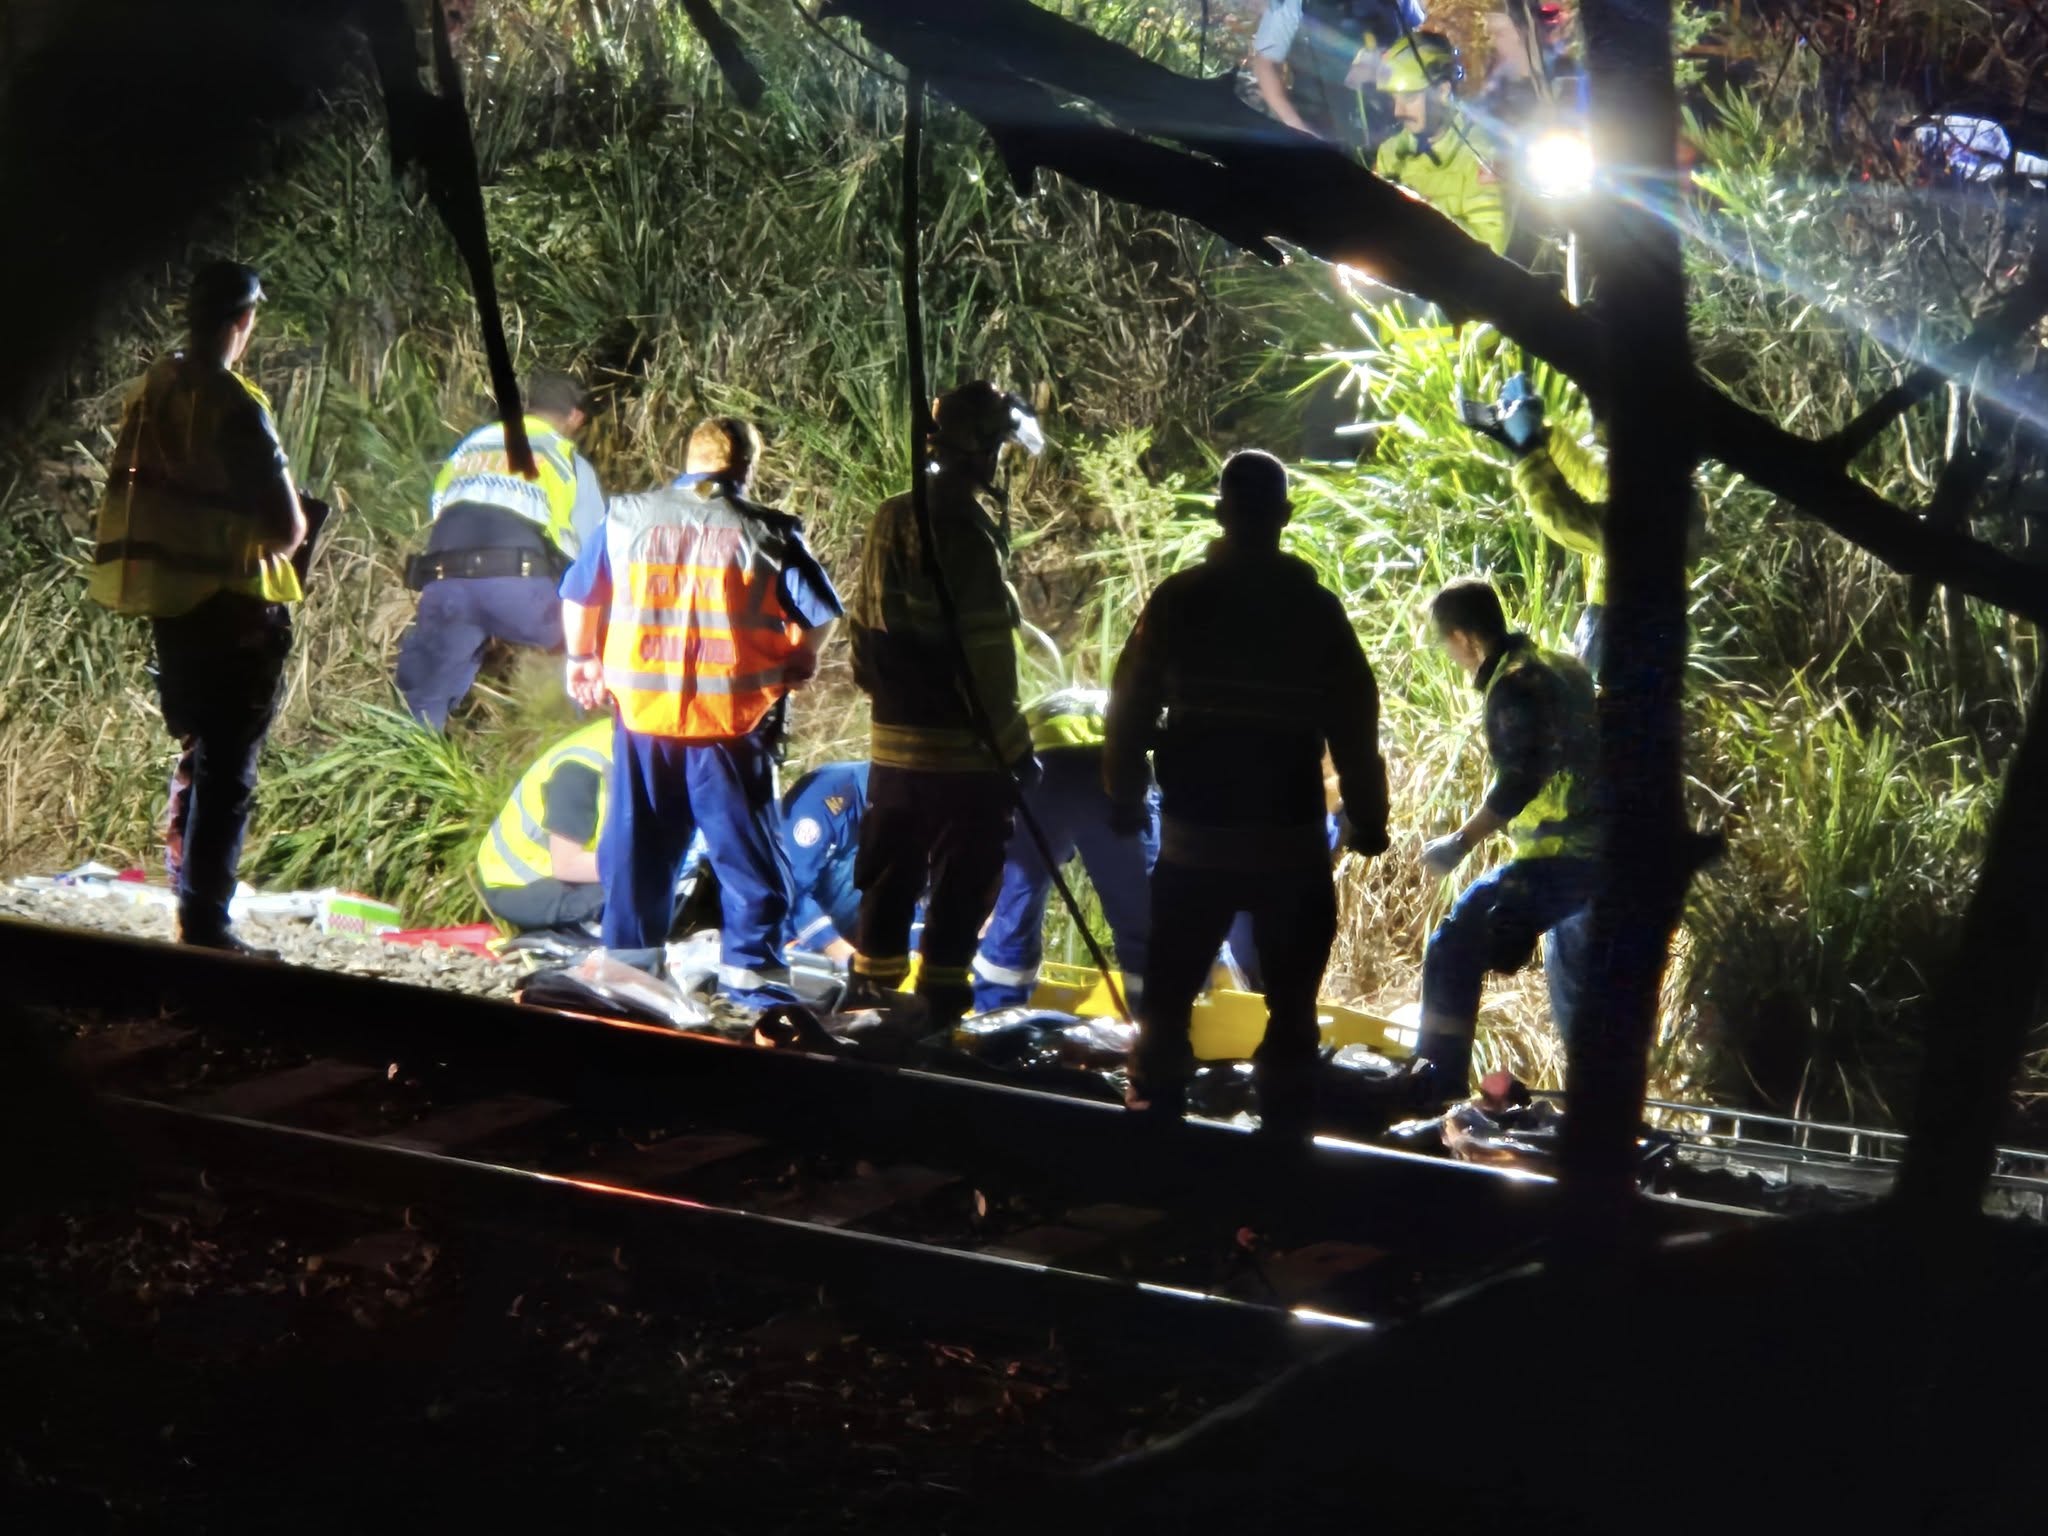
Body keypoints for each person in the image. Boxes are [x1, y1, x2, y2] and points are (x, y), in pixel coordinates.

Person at [1105, 450, 1390, 1135]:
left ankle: (1151, 1144)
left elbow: (1129, 704)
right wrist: (1368, 817)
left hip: (1194, 842)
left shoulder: (1179, 601)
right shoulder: (1316, 611)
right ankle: (1283, 1152)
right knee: (1292, 1011)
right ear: (1285, 516)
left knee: (1166, 1008)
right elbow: (1356, 723)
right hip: (1288, 845)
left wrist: (1123, 791)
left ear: (1220, 514)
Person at [558, 417, 842, 1005]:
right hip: (731, 726)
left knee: (638, 848)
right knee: (747, 853)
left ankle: (630, 974)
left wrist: (582, 659)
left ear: (686, 461)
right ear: (747, 468)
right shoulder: (767, 532)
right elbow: (821, 613)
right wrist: (801, 659)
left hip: (643, 720)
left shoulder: (627, 518)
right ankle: (752, 978)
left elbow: (579, 595)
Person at [88, 260, 306, 954]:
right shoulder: (233, 402)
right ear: (243, 321)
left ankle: (190, 897)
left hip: (172, 602)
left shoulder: (151, 393)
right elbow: (287, 527)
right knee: (228, 767)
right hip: (234, 605)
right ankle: (206, 921)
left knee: (198, 753)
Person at [847, 381, 1044, 1027]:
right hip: (964, 758)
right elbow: (987, 662)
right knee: (961, 891)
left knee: (888, 883)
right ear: (982, 450)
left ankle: (869, 1017)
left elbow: (864, 629)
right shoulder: (965, 533)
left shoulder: (890, 516)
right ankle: (936, 1021)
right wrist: (1015, 753)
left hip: (894, 747)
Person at [1411, 577, 1597, 1100]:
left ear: (1464, 638)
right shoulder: (1562, 665)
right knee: (1583, 995)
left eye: (1447, 644)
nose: (1451, 657)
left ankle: (1435, 1085)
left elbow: (1521, 778)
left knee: (1452, 945)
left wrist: (1459, 842)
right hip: (1610, 850)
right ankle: (1601, 1108)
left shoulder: (1513, 685)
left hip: (1563, 857)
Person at [396, 371, 606, 729]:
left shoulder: (473, 445)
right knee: (590, 637)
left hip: (446, 582)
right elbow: (595, 554)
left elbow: (439, 507)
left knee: (425, 697)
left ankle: (413, 751)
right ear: (575, 417)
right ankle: (575, 733)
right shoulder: (564, 457)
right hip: (518, 588)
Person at [971, 688, 1157, 1014]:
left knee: (1016, 912)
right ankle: (1153, 1021)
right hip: (1114, 776)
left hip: (1042, 776)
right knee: (1142, 919)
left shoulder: (1043, 708)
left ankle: (996, 1013)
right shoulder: (1131, 708)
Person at [1373, 33, 1509, 254]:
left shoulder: (1482, 154)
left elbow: (1491, 249)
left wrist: (1423, 213)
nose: (1398, 111)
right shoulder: (1390, 153)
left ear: (1443, 92)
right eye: (1394, 99)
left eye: (1409, 98)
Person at [475, 717, 612, 934]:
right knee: (636, 894)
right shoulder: (579, 772)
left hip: (580, 871)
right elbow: (568, 864)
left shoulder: (646, 738)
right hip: (521, 884)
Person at [1248, 0, 1425, 143]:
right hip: (1321, 128)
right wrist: (1297, 125)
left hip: (1389, 130)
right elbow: (1266, 64)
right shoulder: (1293, 3)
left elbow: (1417, 38)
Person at [781, 760, 870, 964]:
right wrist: (831, 943)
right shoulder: (824, 794)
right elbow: (792, 888)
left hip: (856, 932)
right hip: (795, 930)